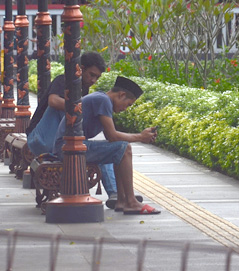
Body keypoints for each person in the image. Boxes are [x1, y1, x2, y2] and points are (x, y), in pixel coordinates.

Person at [27, 52, 135, 207]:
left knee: (102, 149)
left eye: (97, 78)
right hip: (41, 138)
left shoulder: (85, 92)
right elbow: (53, 101)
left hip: (60, 141)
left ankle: (114, 193)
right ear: (81, 69)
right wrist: (79, 108)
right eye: (91, 75)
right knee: (67, 106)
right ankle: (117, 194)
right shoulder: (64, 80)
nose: (93, 80)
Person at [53, 76, 160, 215]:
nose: (125, 109)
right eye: (128, 104)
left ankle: (122, 200)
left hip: (68, 147)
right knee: (124, 147)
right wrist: (140, 137)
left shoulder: (101, 99)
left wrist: (140, 136)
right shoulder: (102, 100)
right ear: (121, 95)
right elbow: (112, 135)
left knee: (119, 148)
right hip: (67, 148)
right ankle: (131, 201)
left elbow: (113, 138)